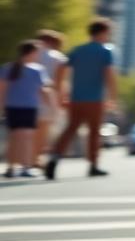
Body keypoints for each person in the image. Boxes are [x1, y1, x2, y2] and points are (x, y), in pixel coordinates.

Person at [46, 18, 119, 179]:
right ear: (102, 33)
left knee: (70, 129)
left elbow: (61, 69)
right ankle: (93, 165)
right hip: (95, 99)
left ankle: (54, 158)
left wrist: (59, 91)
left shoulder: (78, 50)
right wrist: (113, 97)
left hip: (76, 99)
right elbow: (109, 75)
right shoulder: (105, 51)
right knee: (94, 132)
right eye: (108, 33)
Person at [2, 42, 48, 178]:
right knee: (24, 137)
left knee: (16, 137)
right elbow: (43, 90)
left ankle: (14, 166)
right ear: (31, 52)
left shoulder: (35, 69)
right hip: (24, 107)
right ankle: (23, 166)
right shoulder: (12, 68)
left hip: (18, 107)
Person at [33, 30, 67, 165]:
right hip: (49, 95)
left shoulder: (31, 54)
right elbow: (59, 82)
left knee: (29, 130)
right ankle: (36, 159)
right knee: (43, 130)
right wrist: (60, 100)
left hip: (27, 96)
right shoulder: (58, 58)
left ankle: (26, 159)